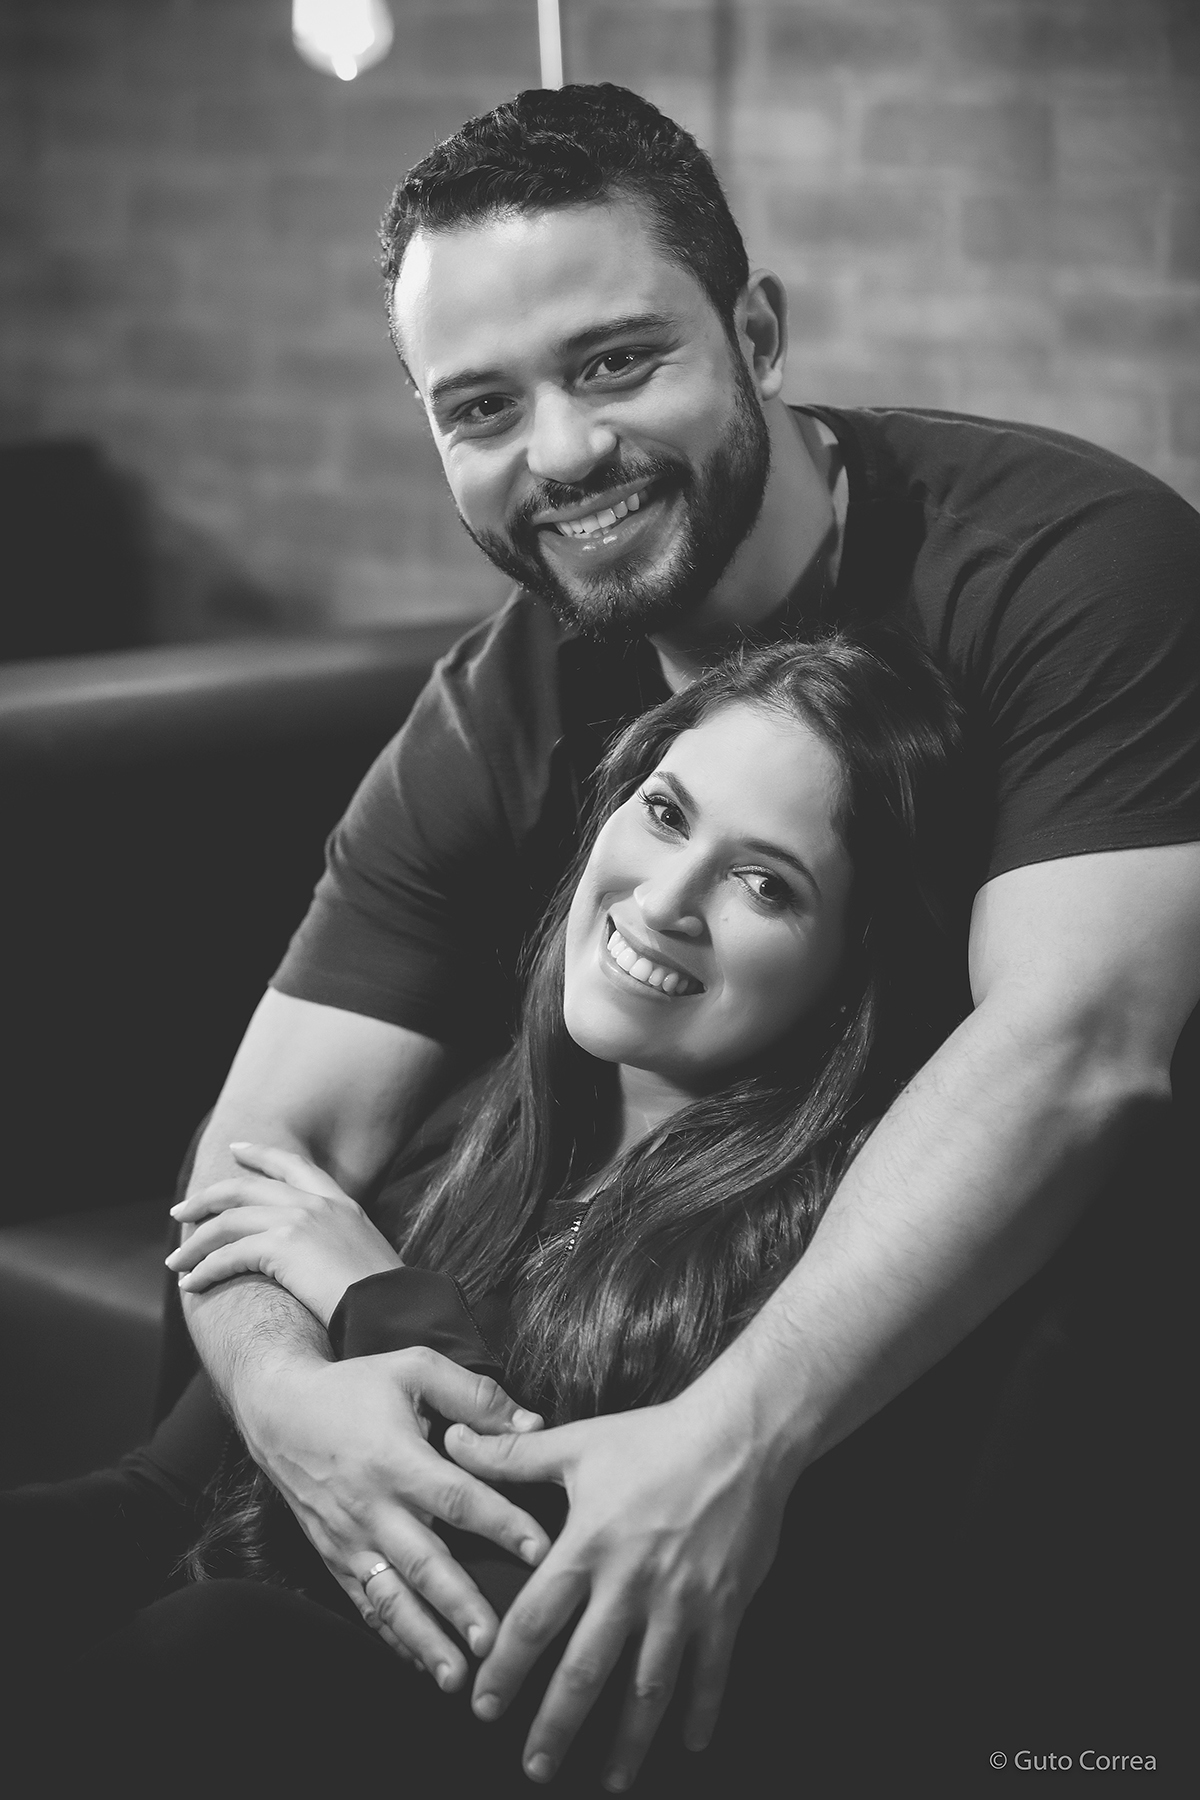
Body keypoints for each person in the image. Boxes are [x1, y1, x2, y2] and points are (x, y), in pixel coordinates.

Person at [10, 81, 1197, 1787]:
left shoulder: (1070, 570)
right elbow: (264, 1151)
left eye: (618, 361)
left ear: (756, 333)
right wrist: (288, 1402)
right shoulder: (503, 705)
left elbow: (1076, 1050)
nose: (561, 454)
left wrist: (730, 1443)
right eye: (482, 406)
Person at [59, 631, 970, 1793]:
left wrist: (372, 1292)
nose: (666, 899)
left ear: (851, 967)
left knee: (214, 1653)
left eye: (765, 885)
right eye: (665, 813)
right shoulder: (470, 1123)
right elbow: (157, 1499)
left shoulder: (823, 1253)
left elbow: (515, 1623)